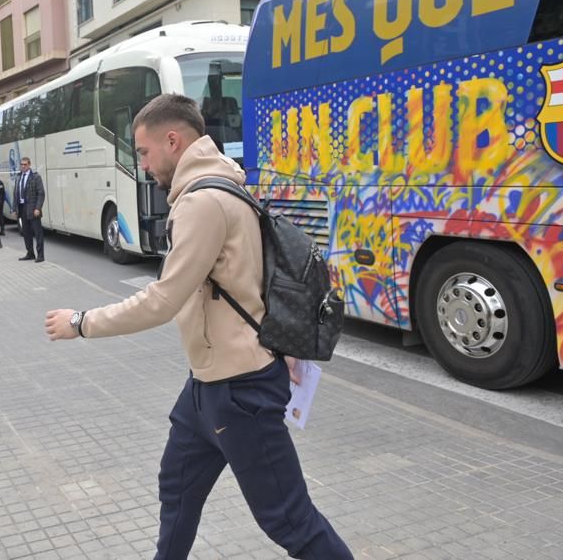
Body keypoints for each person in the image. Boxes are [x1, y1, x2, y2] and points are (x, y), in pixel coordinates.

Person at [44, 94, 352, 560]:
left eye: (144, 152)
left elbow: (164, 299)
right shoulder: (221, 187)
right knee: (178, 488)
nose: (142, 164)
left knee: (290, 521)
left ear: (173, 140)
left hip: (240, 390)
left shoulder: (203, 201)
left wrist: (81, 323)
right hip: (206, 387)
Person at [13, 157, 45, 262]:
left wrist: (38, 208)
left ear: (29, 165)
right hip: (22, 208)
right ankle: (30, 253)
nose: (23, 166)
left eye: (25, 164)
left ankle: (40, 255)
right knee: (26, 232)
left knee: (37, 232)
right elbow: (15, 193)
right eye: (21, 164)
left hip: (32, 208)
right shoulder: (18, 177)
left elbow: (41, 194)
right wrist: (14, 209)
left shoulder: (35, 177)